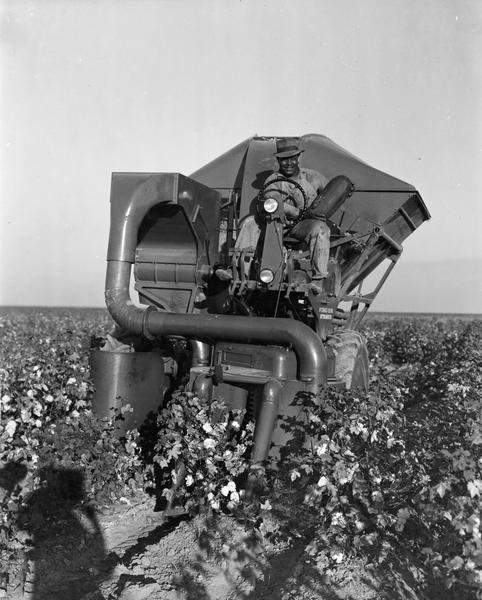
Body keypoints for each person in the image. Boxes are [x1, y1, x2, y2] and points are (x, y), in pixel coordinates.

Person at [263, 137, 331, 291]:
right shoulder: (273, 181)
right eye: (283, 160)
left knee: (320, 229)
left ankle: (318, 280)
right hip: (280, 225)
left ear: (298, 158)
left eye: (292, 158)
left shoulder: (313, 177)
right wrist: (300, 212)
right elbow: (272, 201)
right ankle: (243, 273)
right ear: (278, 161)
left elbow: (330, 194)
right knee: (249, 224)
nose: (288, 163)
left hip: (303, 226)